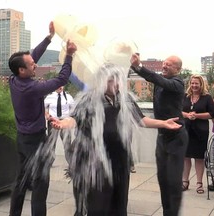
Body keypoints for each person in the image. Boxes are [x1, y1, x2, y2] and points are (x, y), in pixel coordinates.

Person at [51, 63, 182, 216]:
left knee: (119, 204)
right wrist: (63, 123)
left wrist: (163, 123)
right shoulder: (90, 99)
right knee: (98, 204)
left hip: (120, 159)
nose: (117, 84)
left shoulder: (124, 99)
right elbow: (74, 119)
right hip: (96, 162)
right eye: (112, 80)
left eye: (118, 80)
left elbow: (140, 119)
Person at [8, 21, 77, 216]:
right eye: (31, 65)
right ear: (22, 70)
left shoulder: (14, 79)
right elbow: (62, 79)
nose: (35, 64)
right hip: (36, 142)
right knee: (40, 185)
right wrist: (69, 55)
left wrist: (49, 37)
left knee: (21, 181)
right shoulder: (32, 88)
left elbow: (32, 57)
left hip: (22, 138)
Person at [130, 54, 188, 216]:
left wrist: (139, 66)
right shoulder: (161, 81)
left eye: (168, 65)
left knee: (173, 181)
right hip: (162, 137)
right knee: (163, 180)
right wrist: (132, 66)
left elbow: (159, 80)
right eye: (163, 63)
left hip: (176, 137)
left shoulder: (177, 83)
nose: (164, 66)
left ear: (177, 69)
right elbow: (156, 79)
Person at [182, 74, 214, 194]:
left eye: (197, 83)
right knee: (185, 157)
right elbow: (178, 110)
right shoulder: (185, 96)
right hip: (186, 130)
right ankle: (185, 182)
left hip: (200, 132)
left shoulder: (207, 97)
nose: (194, 85)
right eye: (192, 83)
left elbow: (212, 114)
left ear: (201, 84)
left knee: (199, 158)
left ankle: (199, 183)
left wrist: (196, 116)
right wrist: (187, 115)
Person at [44, 86, 75, 162]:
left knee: (67, 144)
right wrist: (47, 114)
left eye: (61, 85)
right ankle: (49, 162)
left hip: (64, 122)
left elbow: (74, 109)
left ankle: (71, 163)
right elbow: (42, 107)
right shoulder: (49, 97)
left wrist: (70, 118)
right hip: (53, 122)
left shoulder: (68, 97)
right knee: (51, 143)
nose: (59, 87)